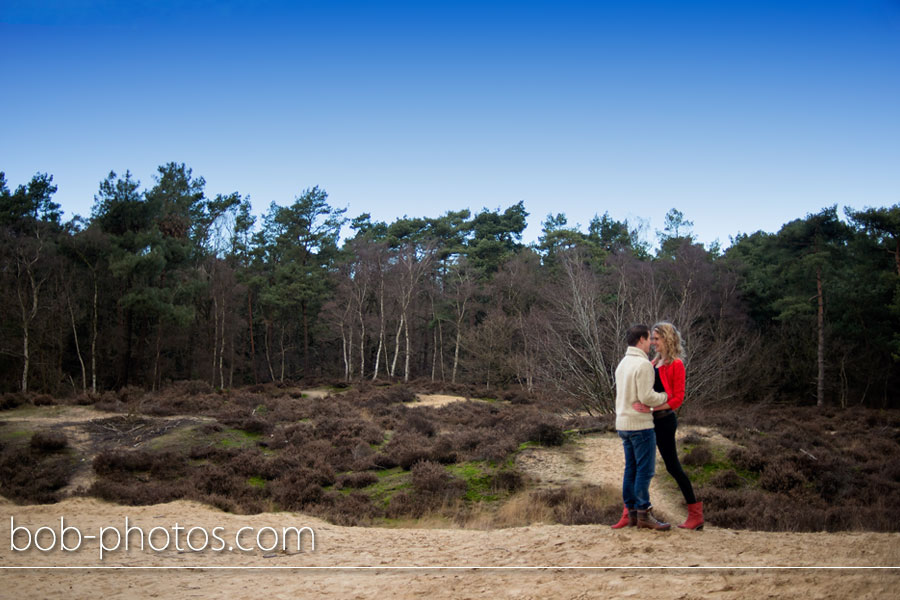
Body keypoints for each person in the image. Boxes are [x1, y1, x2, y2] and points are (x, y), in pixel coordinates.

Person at [632, 321, 703, 530]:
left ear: (667, 339)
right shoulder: (654, 363)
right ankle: (635, 512)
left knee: (673, 466)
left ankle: (695, 515)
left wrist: (652, 409)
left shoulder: (676, 364)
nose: (653, 342)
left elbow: (678, 398)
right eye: (652, 339)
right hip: (648, 421)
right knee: (639, 465)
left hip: (664, 422)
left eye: (656, 338)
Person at [610, 324, 671, 531]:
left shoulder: (623, 363)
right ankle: (644, 512)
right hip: (640, 424)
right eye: (649, 339)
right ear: (642, 339)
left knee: (631, 469)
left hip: (623, 424)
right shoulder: (643, 365)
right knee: (645, 471)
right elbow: (646, 397)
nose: (651, 344)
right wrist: (664, 397)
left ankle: (632, 513)